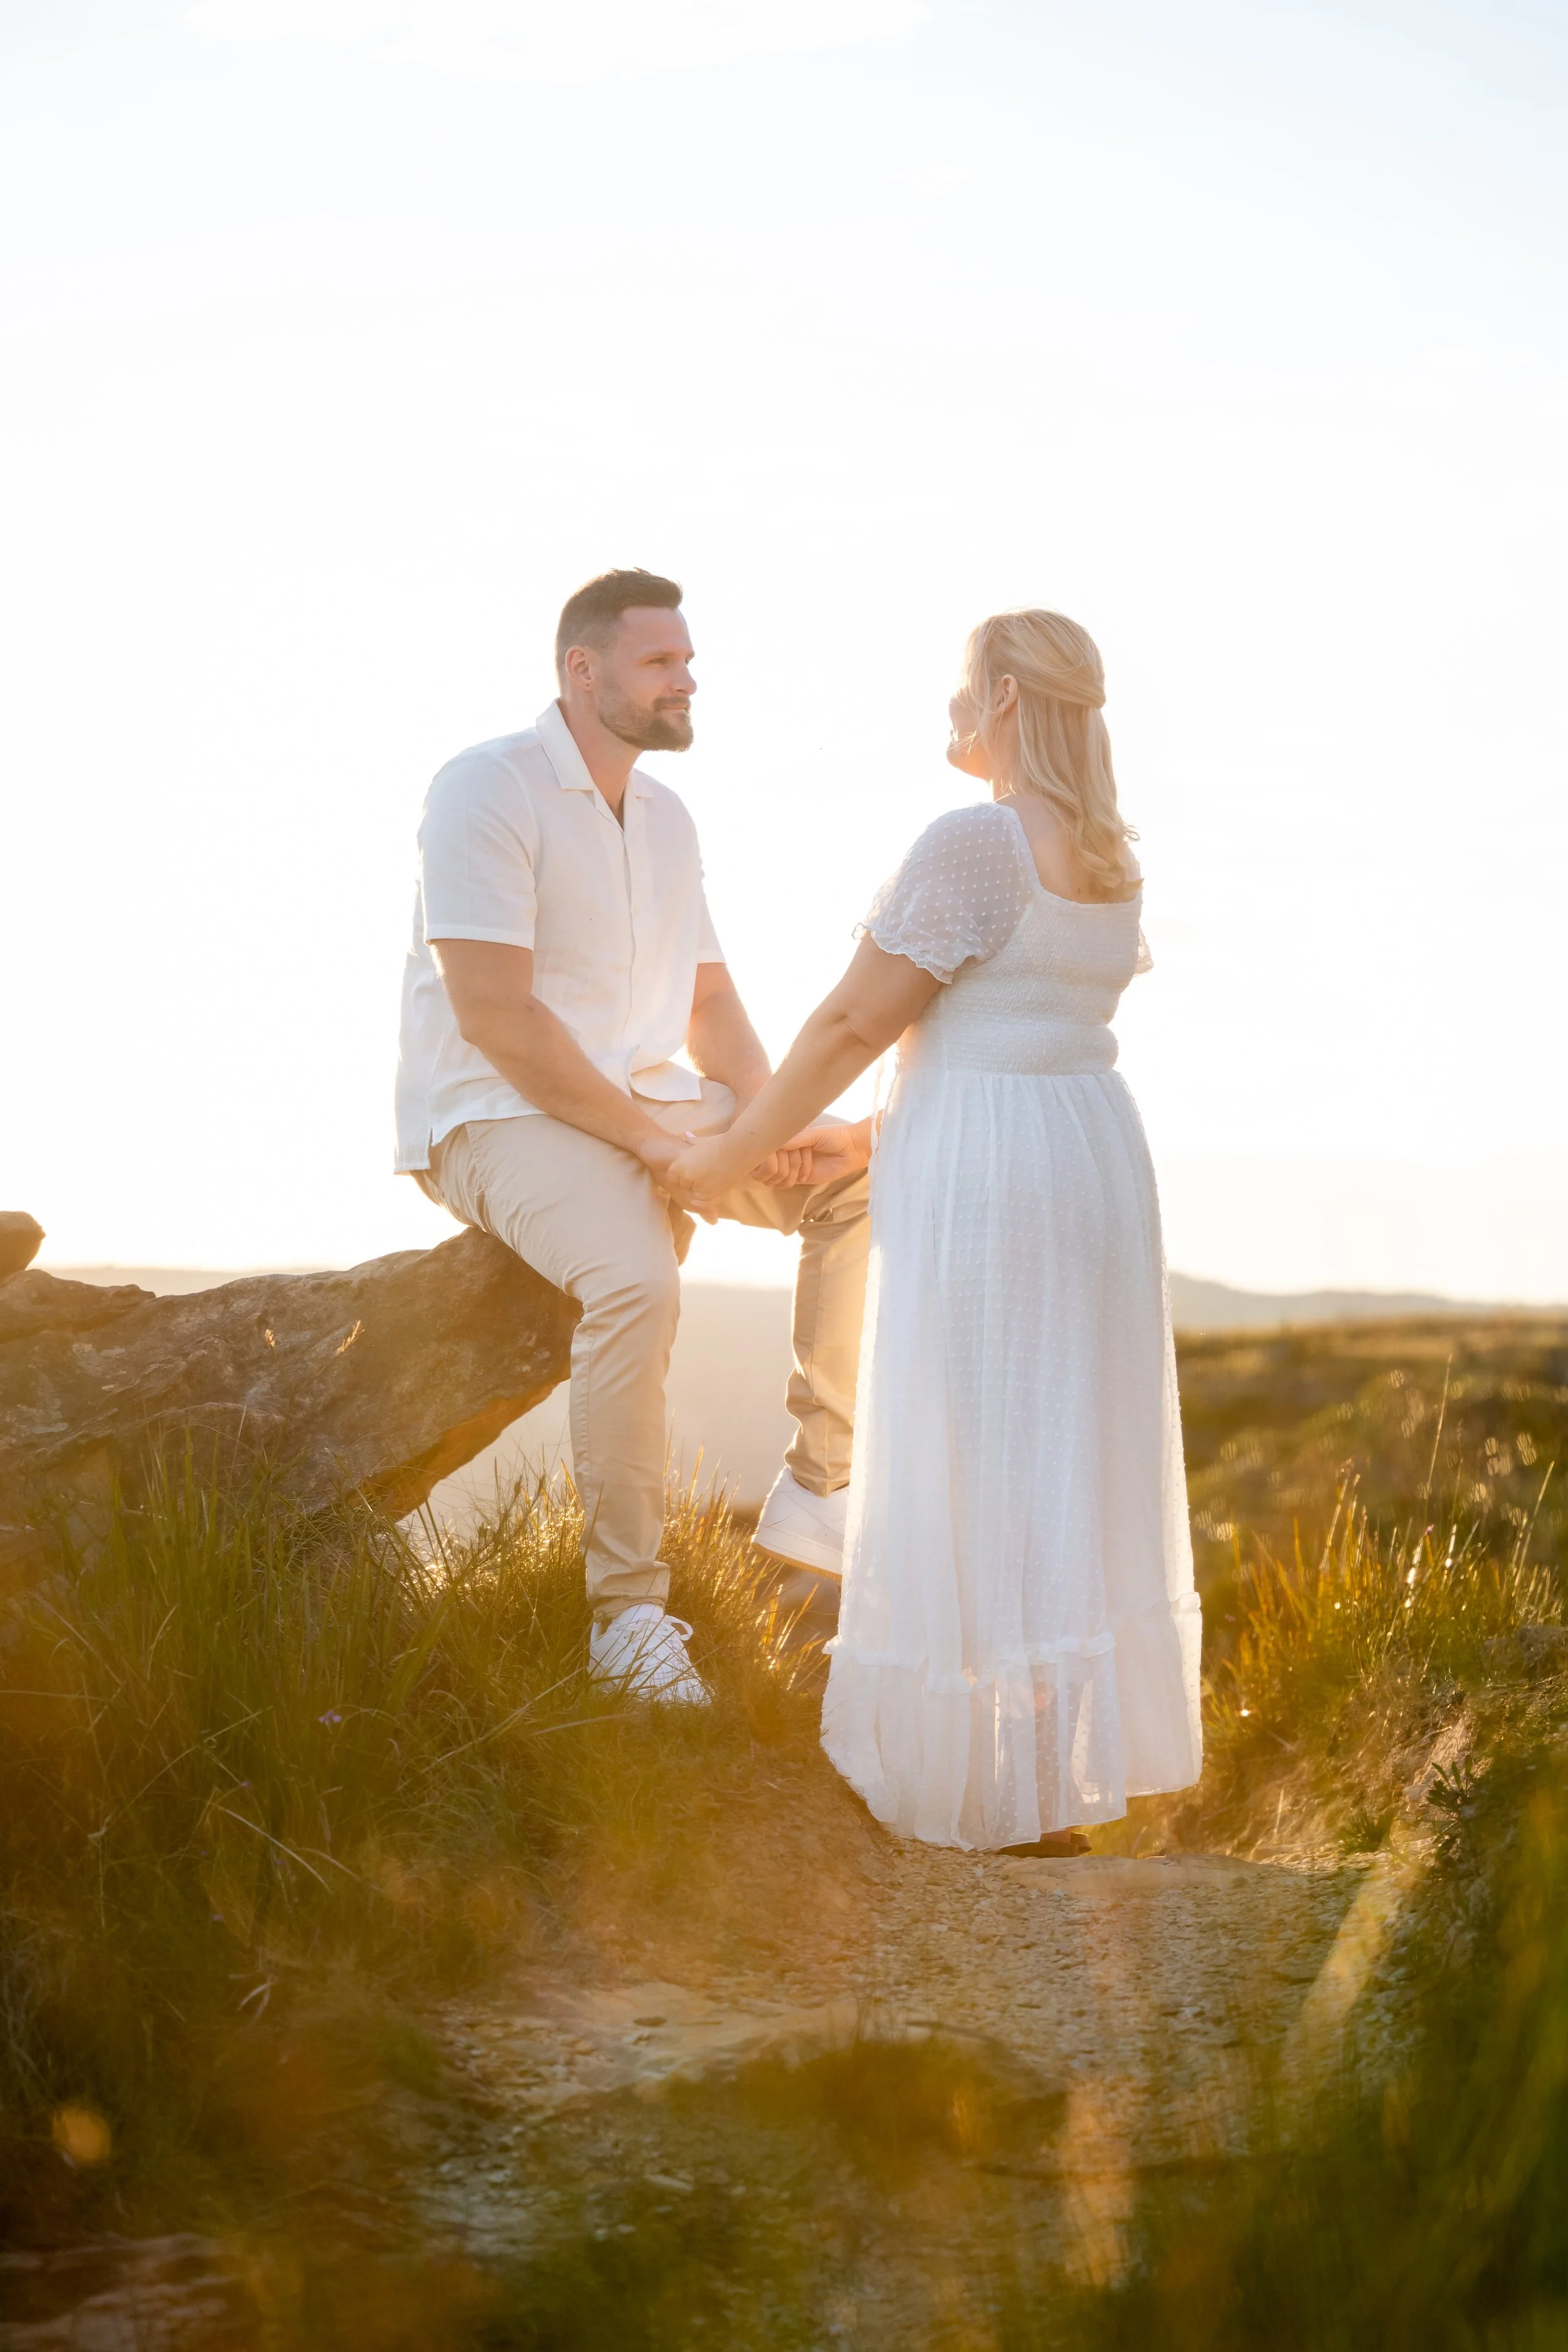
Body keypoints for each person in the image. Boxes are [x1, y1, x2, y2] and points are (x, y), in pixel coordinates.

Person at [668, 609, 1203, 1848]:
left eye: (963, 687)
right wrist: (870, 1137)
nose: (948, 710)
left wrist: (725, 1155)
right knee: (1049, 1462)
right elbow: (1014, 1024)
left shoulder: (976, 842)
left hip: (988, 1171)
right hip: (1083, 1157)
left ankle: (979, 1792)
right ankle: (1040, 1791)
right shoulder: (1107, 852)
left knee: (969, 1451)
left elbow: (853, 1022)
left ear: (1007, 698)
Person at [395, 569, 872, 1704]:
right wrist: (663, 1151)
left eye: (687, 661)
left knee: (858, 1180)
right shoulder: (484, 788)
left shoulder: (667, 817)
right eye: (662, 662)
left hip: (648, 1104)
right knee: (638, 1283)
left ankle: (820, 1484)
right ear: (584, 670)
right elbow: (497, 1017)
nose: (686, 680)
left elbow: (710, 1002)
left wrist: (774, 1123)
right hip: (491, 1113)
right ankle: (628, 1621)